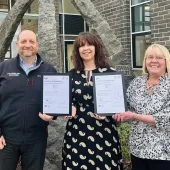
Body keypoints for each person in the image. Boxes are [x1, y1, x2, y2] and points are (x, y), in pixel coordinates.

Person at [62, 32, 123, 170]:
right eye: (81, 46)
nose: (86, 48)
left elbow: (118, 104)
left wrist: (108, 112)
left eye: (89, 44)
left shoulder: (110, 73)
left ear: (96, 47)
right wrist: (69, 107)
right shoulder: (71, 75)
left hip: (104, 132)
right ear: (77, 51)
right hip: (77, 132)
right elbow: (67, 100)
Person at [0, 30, 57, 170]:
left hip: (36, 139)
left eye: (31, 41)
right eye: (24, 41)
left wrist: (53, 114)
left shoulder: (49, 70)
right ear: (17, 44)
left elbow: (56, 101)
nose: (27, 45)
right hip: (6, 138)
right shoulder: (3, 68)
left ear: (37, 45)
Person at [113, 44, 170, 170]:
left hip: (163, 153)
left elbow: (166, 119)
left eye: (159, 57)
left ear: (166, 61)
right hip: (137, 150)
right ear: (145, 61)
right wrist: (110, 112)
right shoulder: (136, 83)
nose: (154, 61)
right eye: (150, 57)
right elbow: (123, 106)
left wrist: (134, 116)